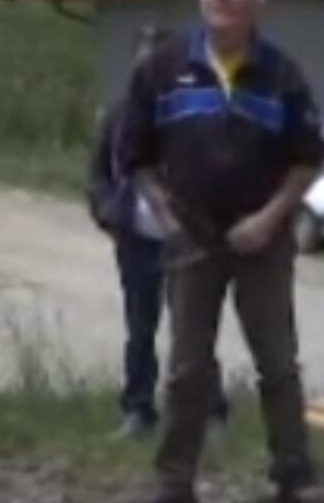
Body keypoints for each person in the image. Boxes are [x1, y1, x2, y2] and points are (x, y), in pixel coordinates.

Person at [118, 0, 324, 503]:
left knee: (277, 363)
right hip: (192, 237)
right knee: (187, 368)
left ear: (256, 6)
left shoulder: (280, 72)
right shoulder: (163, 68)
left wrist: (269, 219)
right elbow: (135, 156)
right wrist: (166, 218)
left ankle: (293, 474)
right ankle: (174, 481)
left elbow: (309, 159)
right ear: (201, 2)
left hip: (264, 240)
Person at [88, 25, 229, 439]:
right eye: (142, 62)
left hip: (187, 239)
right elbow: (98, 174)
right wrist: (109, 214)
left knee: (192, 329)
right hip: (136, 239)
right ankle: (138, 410)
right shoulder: (117, 115)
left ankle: (210, 411)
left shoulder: (194, 113)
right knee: (139, 328)